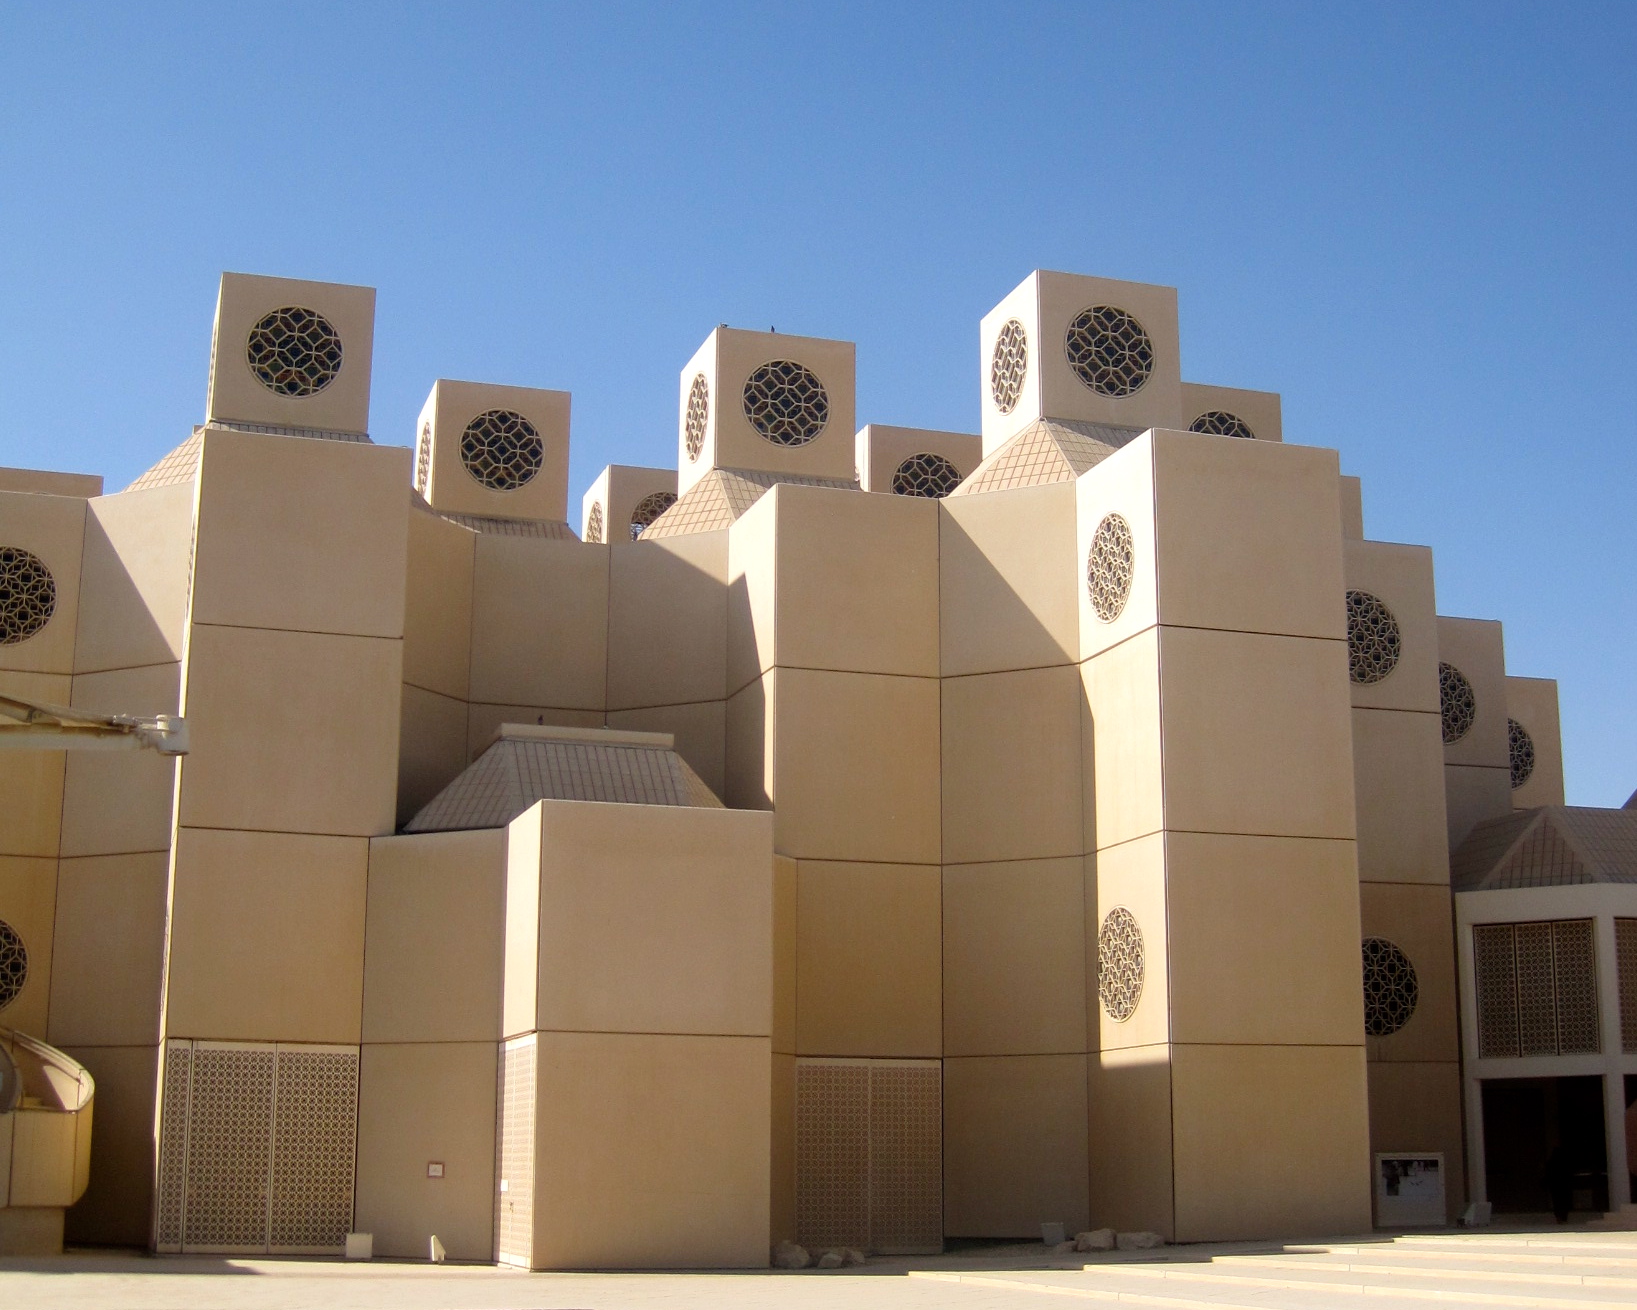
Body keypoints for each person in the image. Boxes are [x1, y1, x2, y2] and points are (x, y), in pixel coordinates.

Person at [1544, 1144, 1573, 1223]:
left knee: (1556, 1201)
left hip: (1555, 1185)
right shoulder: (1566, 1163)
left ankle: (1558, 1217)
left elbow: (1548, 1174)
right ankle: (1564, 1217)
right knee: (1564, 1200)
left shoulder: (1550, 1163)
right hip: (1564, 1185)